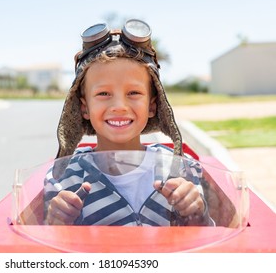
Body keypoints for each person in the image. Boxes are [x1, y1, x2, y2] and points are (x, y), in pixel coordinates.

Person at [43, 19, 214, 226]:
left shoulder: (180, 169)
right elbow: (50, 244)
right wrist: (55, 221)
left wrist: (197, 212)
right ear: (84, 108)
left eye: (133, 93)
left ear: (152, 106)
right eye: (103, 93)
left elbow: (205, 235)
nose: (119, 106)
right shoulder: (65, 176)